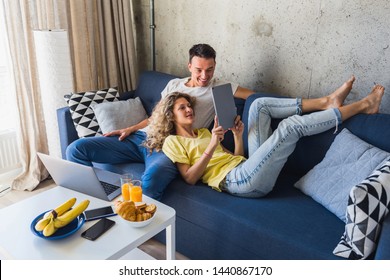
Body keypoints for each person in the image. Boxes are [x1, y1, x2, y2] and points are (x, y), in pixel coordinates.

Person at [66, 44, 254, 200]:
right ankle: (90, 201)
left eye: (210, 69)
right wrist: (130, 128)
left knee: (153, 179)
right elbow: (156, 117)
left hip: (166, 147)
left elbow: (255, 97)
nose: (204, 76)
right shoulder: (174, 85)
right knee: (76, 149)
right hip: (141, 137)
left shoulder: (220, 88)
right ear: (189, 66)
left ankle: (142, 222)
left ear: (215, 66)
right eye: (199, 70)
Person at [144, 79, 385, 197]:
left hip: (246, 167)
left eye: (189, 105)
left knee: (257, 105)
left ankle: (328, 102)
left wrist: (238, 136)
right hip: (239, 183)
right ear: (171, 116)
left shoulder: (205, 132)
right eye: (182, 108)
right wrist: (212, 146)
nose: (189, 110)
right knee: (290, 127)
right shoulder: (172, 142)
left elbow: (237, 158)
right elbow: (189, 178)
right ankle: (363, 105)